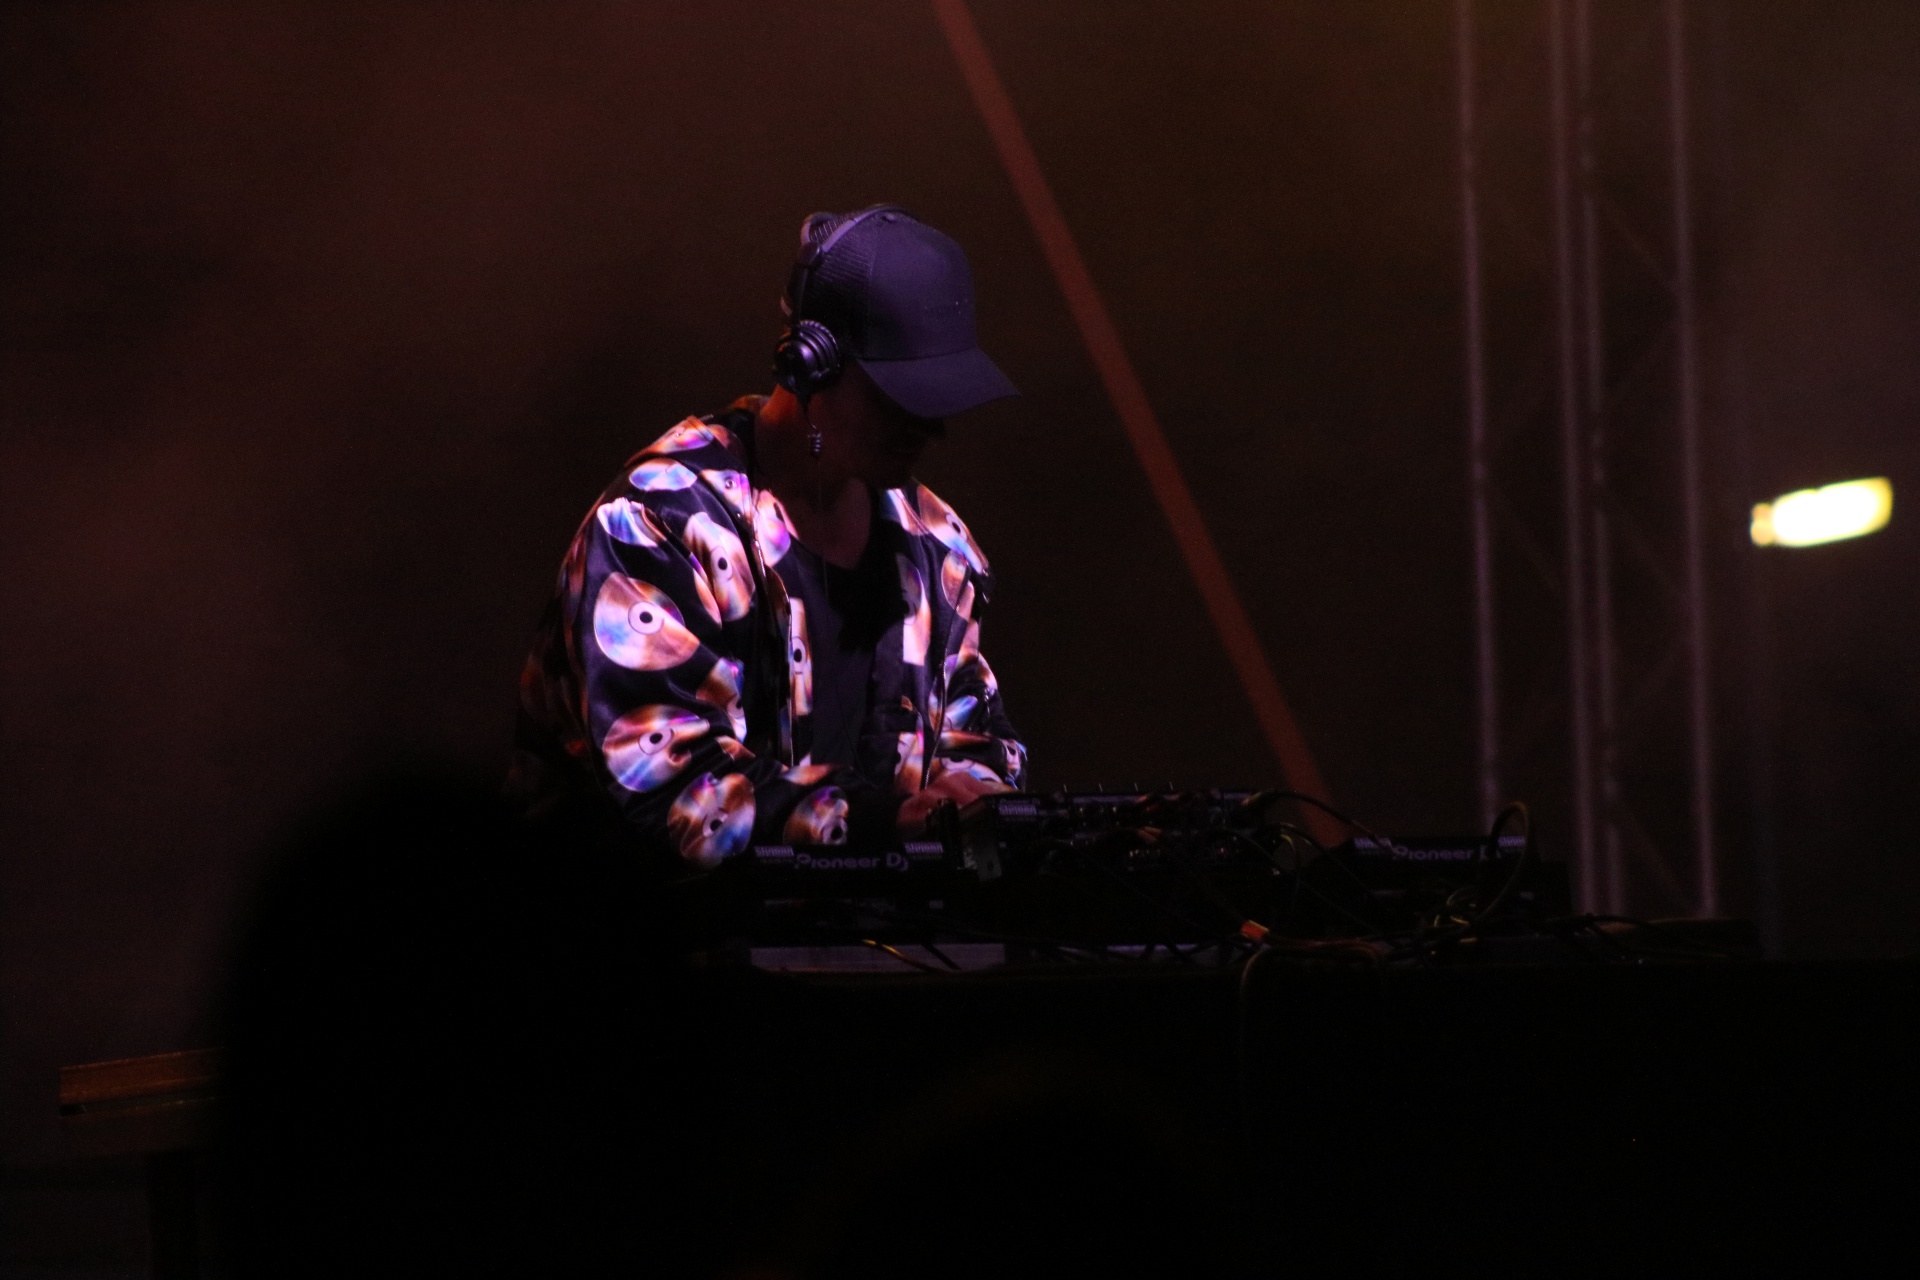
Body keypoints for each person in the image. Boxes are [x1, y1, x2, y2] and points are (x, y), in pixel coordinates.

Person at [509, 205, 1026, 872]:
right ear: (811, 363)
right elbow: (671, 788)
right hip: (639, 928)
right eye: (900, 397)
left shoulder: (939, 549)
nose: (929, 428)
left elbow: (975, 741)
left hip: (875, 933)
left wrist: (973, 801)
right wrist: (883, 820)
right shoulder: (659, 525)